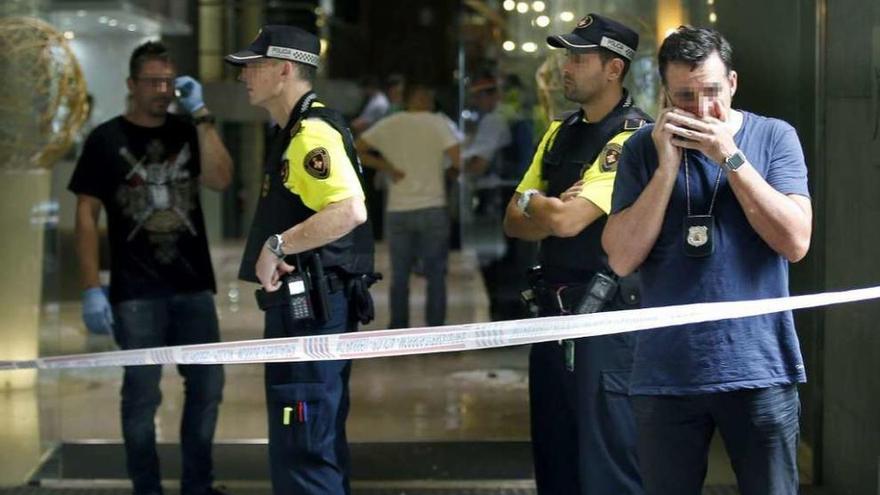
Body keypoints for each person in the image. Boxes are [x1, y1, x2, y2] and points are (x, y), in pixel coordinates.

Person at [603, 26, 812, 495]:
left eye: (712, 93)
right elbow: (620, 258)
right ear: (663, 94)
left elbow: (796, 242)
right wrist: (667, 169)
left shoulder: (774, 137)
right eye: (684, 97)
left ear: (733, 84)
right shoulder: (640, 148)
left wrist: (730, 158)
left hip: (759, 366)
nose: (700, 109)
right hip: (666, 372)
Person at [69, 40, 233, 495]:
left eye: (168, 81)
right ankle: (147, 488)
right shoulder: (106, 140)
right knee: (141, 397)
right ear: (131, 84)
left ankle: (198, 485)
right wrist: (90, 286)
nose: (162, 90)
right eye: (153, 82)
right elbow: (86, 214)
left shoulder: (187, 131)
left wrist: (201, 114)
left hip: (193, 285)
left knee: (207, 388)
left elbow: (221, 179)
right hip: (136, 292)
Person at [225, 25, 376, 495]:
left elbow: (349, 209)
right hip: (308, 310)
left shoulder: (311, 132)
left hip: (311, 313)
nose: (245, 76)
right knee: (308, 435)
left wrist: (278, 245)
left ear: (285, 69)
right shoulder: (294, 129)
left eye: (254, 66)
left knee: (305, 440)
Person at [502, 14, 649, 495]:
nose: (566, 66)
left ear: (613, 69)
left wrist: (539, 205)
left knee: (607, 463)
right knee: (555, 456)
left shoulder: (631, 137)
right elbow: (512, 218)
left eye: (579, 58)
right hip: (551, 314)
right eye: (567, 55)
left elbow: (567, 222)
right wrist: (544, 204)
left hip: (603, 318)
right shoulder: (558, 133)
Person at [355, 83, 461, 328]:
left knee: (400, 275)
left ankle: (399, 328)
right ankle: (435, 329)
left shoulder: (392, 123)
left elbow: (357, 149)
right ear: (427, 99)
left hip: (398, 209)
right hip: (433, 207)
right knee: (435, 275)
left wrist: (388, 168)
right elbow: (458, 159)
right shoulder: (439, 123)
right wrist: (450, 171)